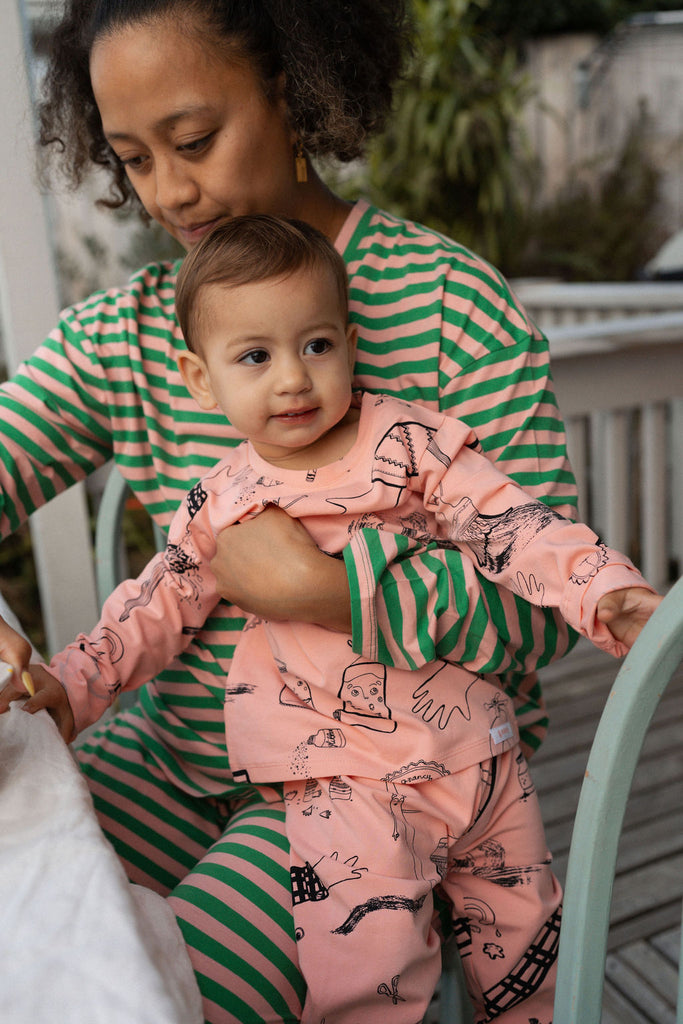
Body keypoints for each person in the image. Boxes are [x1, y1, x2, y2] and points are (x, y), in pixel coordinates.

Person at [0, 1, 590, 1020]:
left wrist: (332, 589)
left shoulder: (450, 310)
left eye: (194, 142)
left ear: (291, 83)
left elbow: (546, 610)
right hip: (172, 751)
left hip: (384, 782)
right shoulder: (135, 330)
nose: (169, 193)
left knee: (149, 993)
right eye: (134, 158)